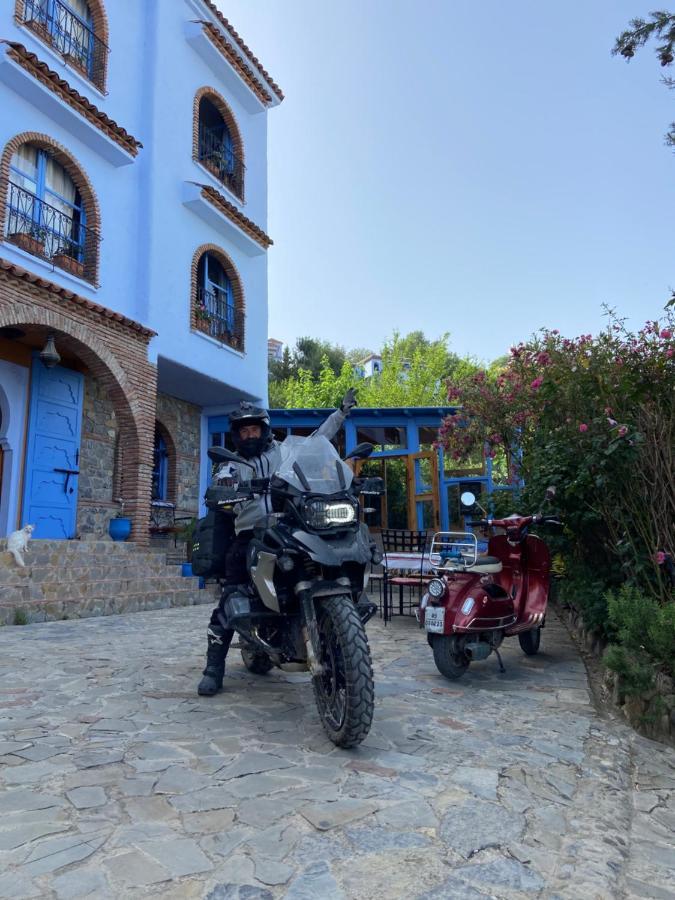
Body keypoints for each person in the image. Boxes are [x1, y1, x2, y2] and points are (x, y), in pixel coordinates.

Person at [197, 388, 358, 696]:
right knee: (231, 597)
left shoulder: (283, 451)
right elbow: (218, 489)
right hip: (250, 535)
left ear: (264, 430)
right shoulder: (230, 465)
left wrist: (340, 413)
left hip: (289, 527)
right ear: (236, 435)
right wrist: (231, 489)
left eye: (253, 428)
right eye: (243, 430)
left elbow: (316, 441)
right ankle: (213, 668)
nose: (249, 434)